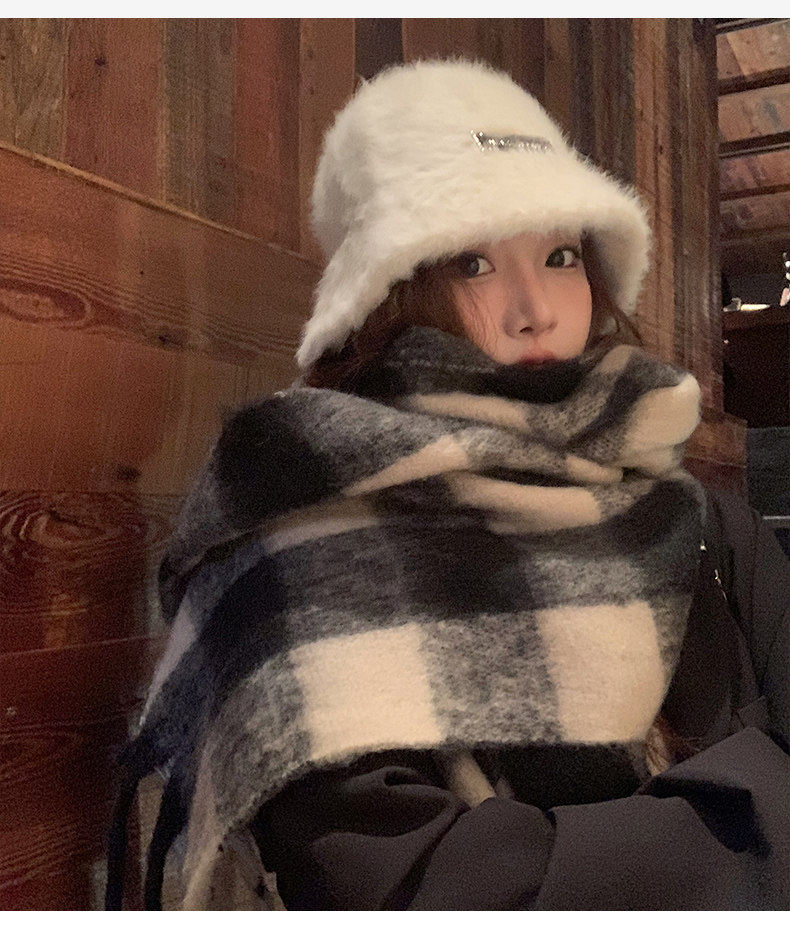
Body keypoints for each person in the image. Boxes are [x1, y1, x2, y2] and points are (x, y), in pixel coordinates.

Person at [105, 60, 790, 911]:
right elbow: (411, 881)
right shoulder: (306, 554)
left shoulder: (701, 528)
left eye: (561, 255)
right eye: (473, 262)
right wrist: (758, 810)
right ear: (388, 293)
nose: (536, 307)